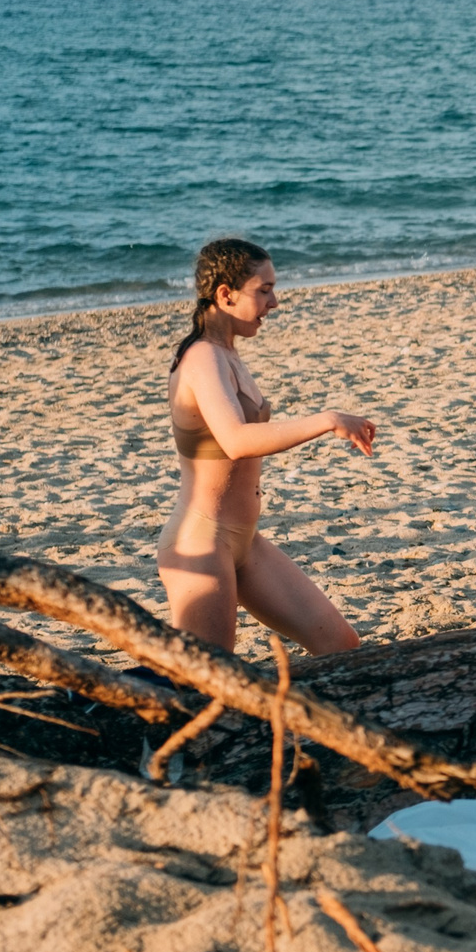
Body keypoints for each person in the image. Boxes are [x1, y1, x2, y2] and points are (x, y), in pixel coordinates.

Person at [160, 238, 376, 660]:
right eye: (264, 291)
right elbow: (236, 441)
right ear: (225, 294)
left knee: (340, 645)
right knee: (207, 678)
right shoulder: (202, 358)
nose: (274, 302)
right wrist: (327, 420)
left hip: (243, 540)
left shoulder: (226, 353)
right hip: (202, 541)